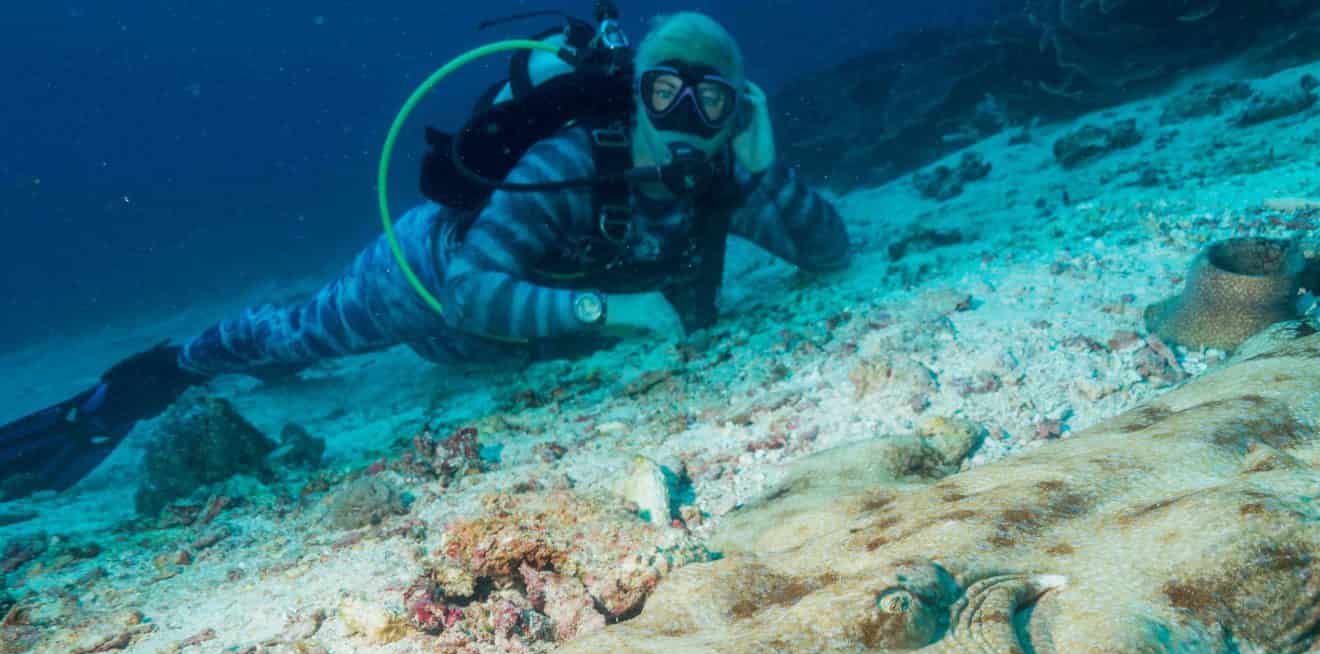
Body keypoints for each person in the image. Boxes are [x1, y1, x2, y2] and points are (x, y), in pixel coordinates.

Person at [0, 11, 850, 500]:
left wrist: (765, 169)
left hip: (504, 347)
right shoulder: (569, 162)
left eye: (708, 102)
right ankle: (166, 369)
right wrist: (607, 310)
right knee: (300, 335)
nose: (680, 118)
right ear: (637, 93)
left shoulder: (729, 180)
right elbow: (477, 291)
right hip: (426, 284)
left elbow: (825, 250)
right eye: (664, 90)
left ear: (735, 112)